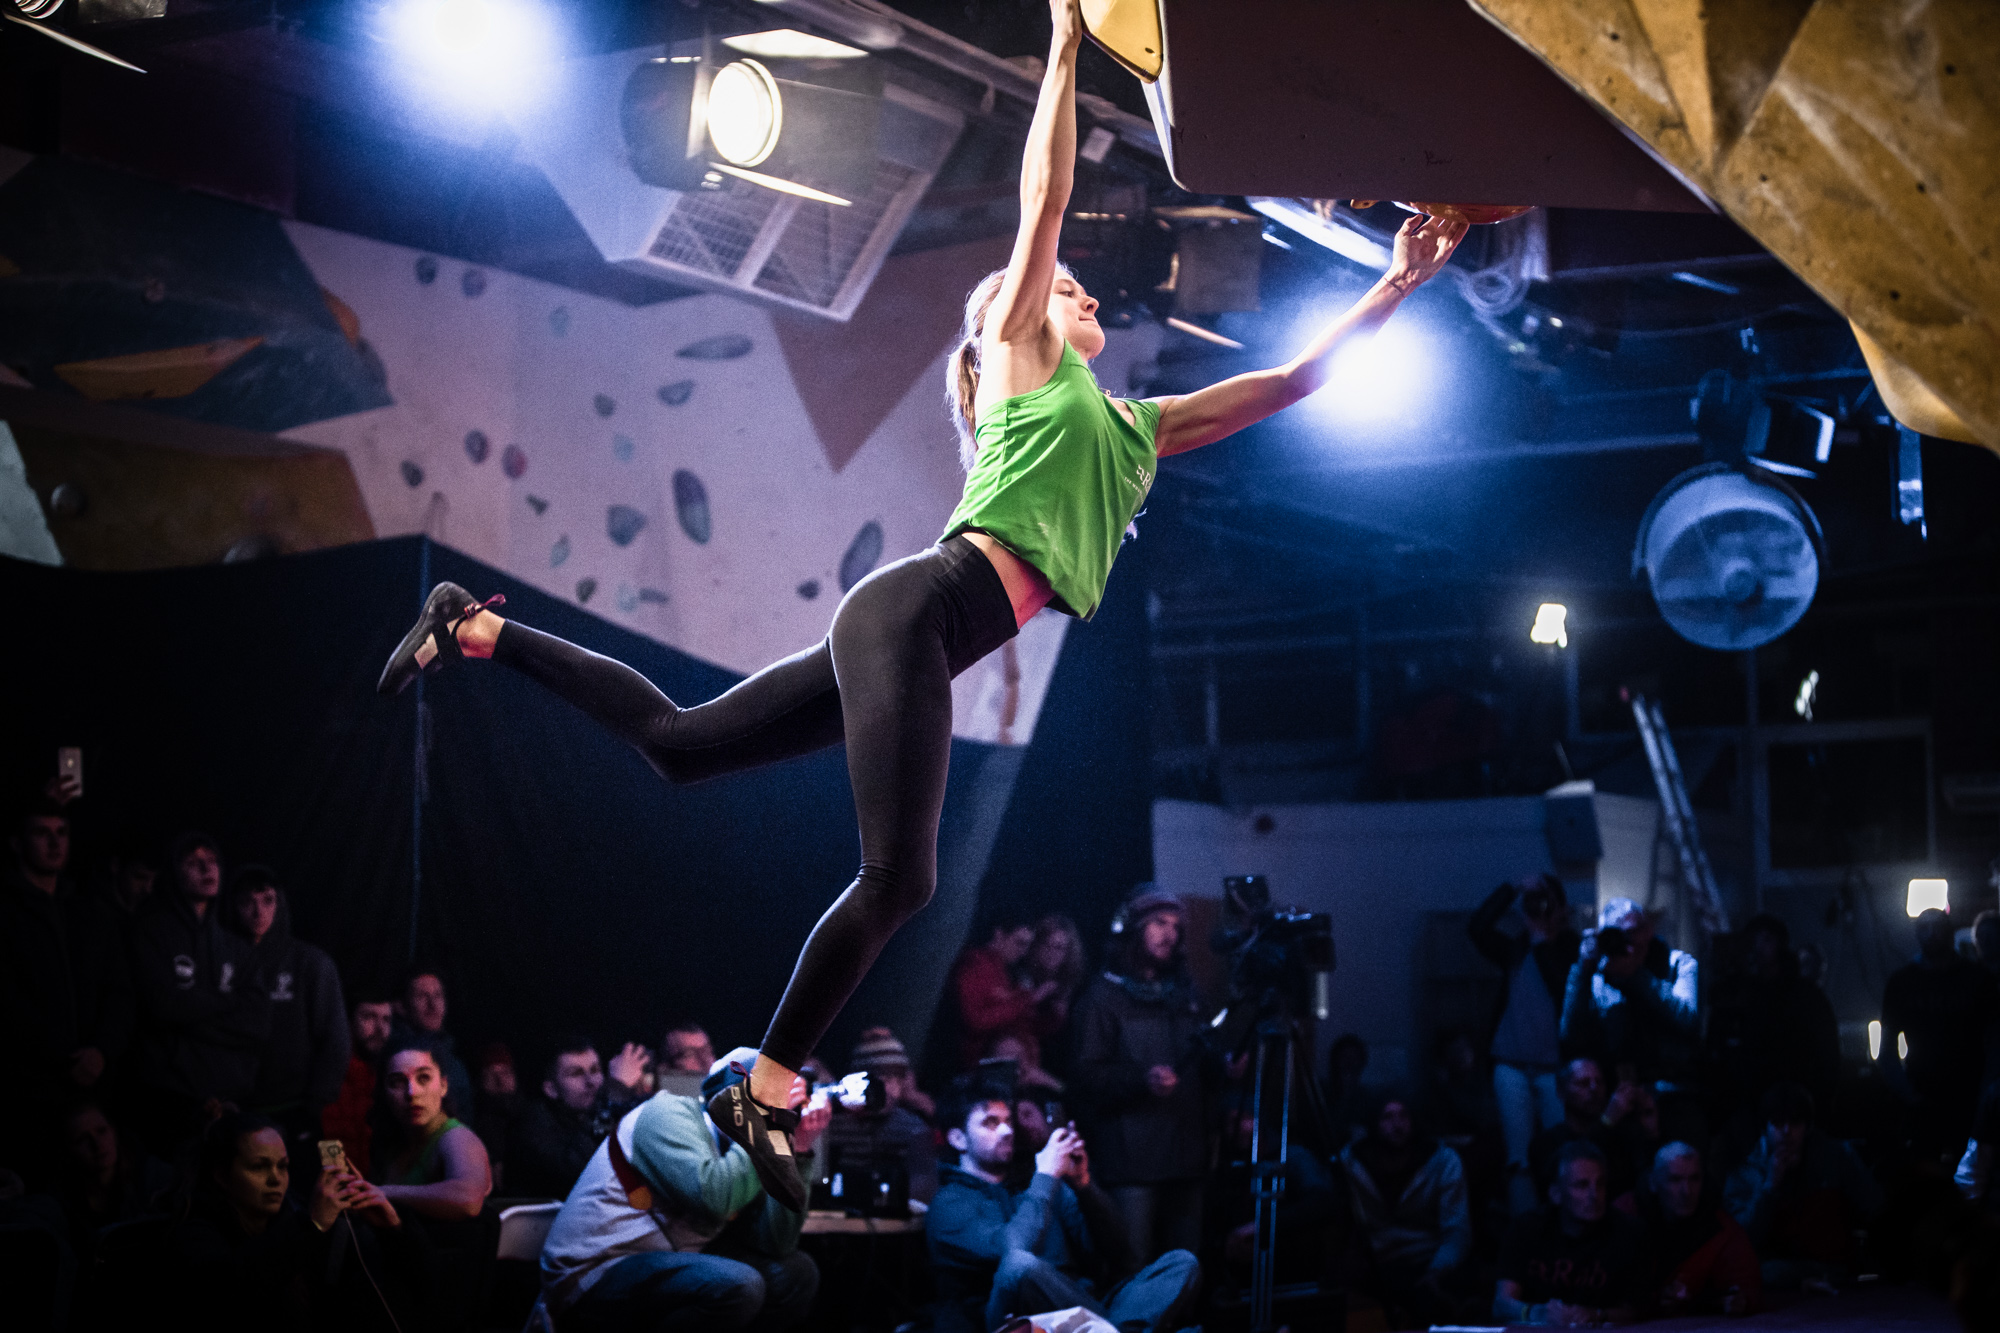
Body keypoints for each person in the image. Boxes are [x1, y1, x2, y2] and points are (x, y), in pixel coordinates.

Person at [370, 0, 1464, 1212]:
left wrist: (1397, 284)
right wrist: (1060, 45)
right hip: (919, 613)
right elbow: (1041, 199)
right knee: (901, 880)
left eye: (1074, 290)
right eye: (1057, 288)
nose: (1077, 291)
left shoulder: (1136, 429)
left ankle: (478, 626)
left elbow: (1295, 377)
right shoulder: (1018, 356)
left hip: (919, 632)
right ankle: (768, 1083)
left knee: (681, 748)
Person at [539, 1048, 828, 1332]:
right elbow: (715, 1196)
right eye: (770, 1100)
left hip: (665, 1263)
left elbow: (777, 1242)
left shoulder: (749, 1147)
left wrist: (799, 1151)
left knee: (796, 1273)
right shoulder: (668, 1114)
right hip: (594, 1273)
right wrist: (764, 1126)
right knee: (739, 1284)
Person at [927, 1077, 1199, 1333]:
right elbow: (1014, 1251)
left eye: (1008, 1120)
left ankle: (1108, 1329)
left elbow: (1120, 1253)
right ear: (958, 1139)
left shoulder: (1036, 1183)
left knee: (1180, 1263)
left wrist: (1083, 1185)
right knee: (1019, 1266)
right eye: (990, 1123)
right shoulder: (949, 1204)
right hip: (1014, 1321)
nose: (1007, 1130)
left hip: (1083, 1306)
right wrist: (1045, 1177)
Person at [165, 1109, 424, 1332]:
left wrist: (393, 1229)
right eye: (258, 1166)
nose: (276, 1179)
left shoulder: (293, 1215)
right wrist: (311, 1226)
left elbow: (416, 1290)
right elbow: (231, 1292)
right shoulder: (195, 1231)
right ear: (221, 1175)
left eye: (283, 1166)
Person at [1071, 886, 1210, 1261]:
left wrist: (1226, 1066)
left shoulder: (1184, 994)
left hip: (1188, 1159)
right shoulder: (1102, 998)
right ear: (1133, 928)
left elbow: (1199, 1062)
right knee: (1134, 1273)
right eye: (1160, 923)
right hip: (1133, 1166)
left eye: (1176, 926)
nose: (1171, 934)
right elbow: (1085, 1077)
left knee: (1185, 1272)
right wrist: (1140, 1080)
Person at [0, 796, 130, 1179]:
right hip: (29, 1090)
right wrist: (63, 1057)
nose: (55, 843)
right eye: (42, 833)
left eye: (62, 832)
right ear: (17, 842)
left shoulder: (89, 911)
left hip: (97, 1085)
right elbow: (7, 1002)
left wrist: (103, 1051)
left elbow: (120, 989)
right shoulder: (7, 912)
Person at [125, 831, 268, 1150]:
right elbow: (159, 1008)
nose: (207, 869)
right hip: (170, 1098)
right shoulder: (151, 933)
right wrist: (228, 1002)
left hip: (230, 1096)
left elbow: (257, 1023)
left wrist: (189, 1019)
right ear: (174, 871)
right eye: (194, 862)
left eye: (213, 861)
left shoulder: (237, 947)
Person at [1467, 874, 1579, 1214]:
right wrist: (1511, 888)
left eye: (1546, 901)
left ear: (1561, 909)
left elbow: (1561, 985)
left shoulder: (1573, 947)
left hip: (1555, 1069)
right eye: (1535, 902)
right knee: (1519, 1158)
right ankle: (1525, 1236)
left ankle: (1563, 1225)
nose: (1539, 908)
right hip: (1510, 1065)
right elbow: (1477, 928)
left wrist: (1542, 939)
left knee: (1562, 1151)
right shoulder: (1515, 947)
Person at [225, 865, 350, 1149]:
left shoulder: (310, 963)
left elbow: (336, 1039)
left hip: (299, 1110)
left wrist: (316, 1103)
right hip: (237, 1109)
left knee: (321, 1183)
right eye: (247, 902)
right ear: (233, 907)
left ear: (279, 903)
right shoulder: (222, 962)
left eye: (267, 900)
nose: (258, 912)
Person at [1724, 1081, 1883, 1290]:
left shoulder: (1836, 1157)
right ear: (1765, 1127)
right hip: (1774, 1271)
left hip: (1833, 1267)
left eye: (1795, 1122)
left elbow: (1874, 1206)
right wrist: (1769, 1187)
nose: (1787, 1131)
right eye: (1778, 1123)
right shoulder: (1746, 1173)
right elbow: (1741, 1240)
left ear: (1808, 1127)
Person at [1339, 1090, 1473, 1325]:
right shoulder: (1351, 1162)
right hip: (1377, 1265)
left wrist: (1436, 1272)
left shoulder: (1442, 1161)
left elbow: (1457, 1230)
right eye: (1387, 1117)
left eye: (1403, 1115)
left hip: (1429, 1260)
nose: (1397, 1124)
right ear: (1374, 1123)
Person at [1882, 907, 1997, 1161]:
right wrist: (1909, 1095)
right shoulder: (1903, 982)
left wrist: (1986, 1095)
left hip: (1968, 1096)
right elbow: (1887, 1049)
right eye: (1925, 928)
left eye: (1938, 927)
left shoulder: (1978, 979)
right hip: (1925, 1093)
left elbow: (1994, 1043)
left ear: (1949, 932)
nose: (1932, 934)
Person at [1707, 913, 1841, 1128]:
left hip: (1795, 1105)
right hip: (1745, 1108)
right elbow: (1716, 1049)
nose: (1759, 947)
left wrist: (1820, 1104)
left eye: (1767, 939)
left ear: (1780, 945)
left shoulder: (1805, 996)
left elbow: (1828, 1054)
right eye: (1754, 940)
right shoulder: (1735, 996)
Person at [1493, 1141, 1647, 1326]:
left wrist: (1598, 1315)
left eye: (1600, 1184)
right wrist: (1535, 1312)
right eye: (1582, 1185)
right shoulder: (1526, 1229)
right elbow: (1501, 1304)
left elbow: (1638, 1311)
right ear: (1556, 1193)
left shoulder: (1628, 1233)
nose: (1594, 1195)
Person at [1561, 899, 1699, 1090]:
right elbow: (1572, 1037)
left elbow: (1688, 1021)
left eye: (1634, 931)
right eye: (1618, 935)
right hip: (1616, 1090)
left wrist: (1635, 976)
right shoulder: (1600, 976)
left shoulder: (1679, 965)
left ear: (1649, 930)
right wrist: (1582, 971)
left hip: (1671, 1084)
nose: (1629, 942)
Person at [510, 1036, 647, 1200]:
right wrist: (616, 1090)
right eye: (576, 1073)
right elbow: (577, 1173)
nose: (591, 1082)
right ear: (551, 1089)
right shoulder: (531, 1122)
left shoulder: (602, 1109)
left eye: (595, 1070)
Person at [372, 1037, 493, 1221]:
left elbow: (469, 1199)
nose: (412, 1092)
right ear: (384, 1091)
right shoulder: (395, 1141)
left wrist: (385, 1191)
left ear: (443, 1086)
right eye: (397, 1082)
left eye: (424, 1078)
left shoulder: (456, 1136)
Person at [1638, 1142, 1759, 1317]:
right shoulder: (1627, 1217)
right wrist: (1652, 1299)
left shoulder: (1721, 1228)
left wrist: (1738, 1300)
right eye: (1675, 1180)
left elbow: (1748, 1286)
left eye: (1694, 1179)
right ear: (1654, 1182)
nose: (1687, 1191)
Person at [822, 1026, 941, 1204]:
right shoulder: (829, 1124)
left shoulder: (913, 1129)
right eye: (881, 1080)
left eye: (897, 1078)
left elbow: (921, 1193)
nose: (889, 1088)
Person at [1528, 1057, 1654, 1204]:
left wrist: (1650, 1128)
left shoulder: (1620, 1135)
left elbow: (1648, 1181)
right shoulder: (1545, 1143)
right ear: (1561, 1092)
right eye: (1583, 1083)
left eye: (1599, 1082)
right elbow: (1576, 1162)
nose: (1594, 1089)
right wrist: (1607, 1121)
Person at [951, 919, 1049, 1069]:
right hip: (975, 1067)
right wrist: (1026, 1000)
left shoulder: (1004, 969)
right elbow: (975, 1021)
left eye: (1027, 946)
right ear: (999, 934)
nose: (1023, 952)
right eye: (1019, 943)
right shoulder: (976, 964)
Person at [323, 992, 394, 1179]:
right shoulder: (334, 1070)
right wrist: (341, 1183)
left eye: (386, 1019)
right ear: (349, 1019)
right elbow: (330, 1137)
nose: (380, 1028)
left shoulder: (389, 1070)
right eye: (369, 1017)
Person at [392, 968, 475, 1121]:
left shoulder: (455, 1066)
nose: (432, 1004)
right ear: (402, 1006)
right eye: (422, 996)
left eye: (438, 995)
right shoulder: (392, 1057)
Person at [1020, 914, 1089, 1075]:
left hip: (1064, 1067)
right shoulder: (1021, 978)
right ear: (1035, 945)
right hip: (1028, 1062)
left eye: (1059, 948)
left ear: (1068, 952)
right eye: (1046, 945)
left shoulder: (1077, 986)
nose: (1052, 953)